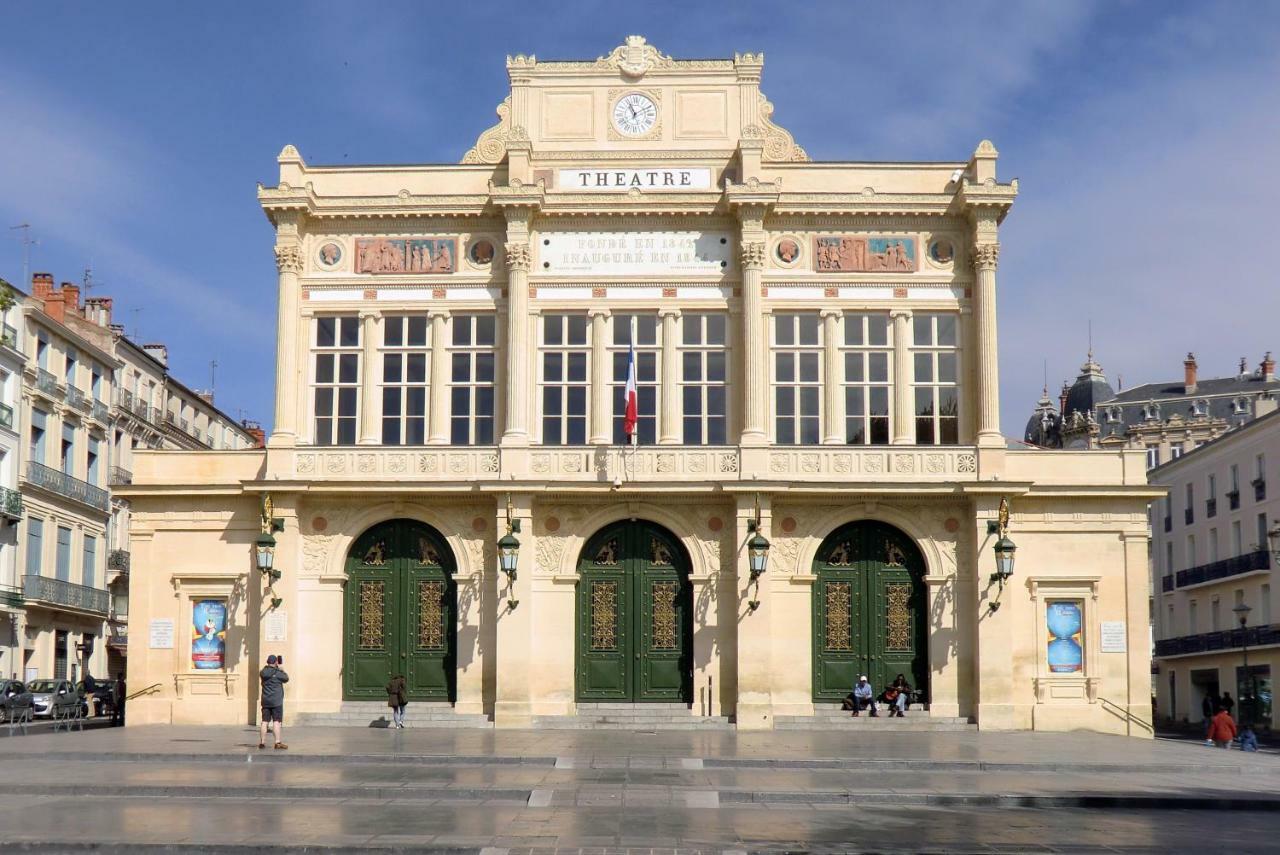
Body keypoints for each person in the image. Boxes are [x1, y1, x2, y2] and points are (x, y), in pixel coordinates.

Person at [258, 655, 289, 750]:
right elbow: (286, 678)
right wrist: (281, 669)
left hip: (266, 701)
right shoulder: (278, 673)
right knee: (276, 721)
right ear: (276, 662)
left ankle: (262, 742)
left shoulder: (263, 672)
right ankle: (277, 742)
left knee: (264, 721)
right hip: (276, 702)